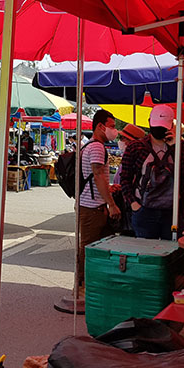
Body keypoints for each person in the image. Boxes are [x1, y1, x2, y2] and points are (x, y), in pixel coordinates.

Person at [77, 109, 121, 296]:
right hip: (92, 207)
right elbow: (97, 175)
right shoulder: (96, 147)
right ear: (101, 126)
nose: (114, 130)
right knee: (88, 247)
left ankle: (91, 284)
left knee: (100, 246)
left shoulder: (90, 146)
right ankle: (81, 286)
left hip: (92, 204)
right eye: (112, 126)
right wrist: (111, 204)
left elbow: (97, 176)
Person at [121, 105, 176, 240]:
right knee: (145, 251)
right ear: (149, 122)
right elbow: (125, 178)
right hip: (144, 210)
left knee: (171, 250)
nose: (159, 129)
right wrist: (134, 204)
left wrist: (176, 146)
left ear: (171, 126)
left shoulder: (178, 147)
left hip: (171, 212)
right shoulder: (136, 147)